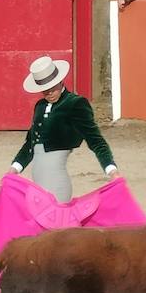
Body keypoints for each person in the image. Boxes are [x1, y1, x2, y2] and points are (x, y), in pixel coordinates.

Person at [8, 55, 116, 203]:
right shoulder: (40, 106)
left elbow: (95, 140)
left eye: (51, 87)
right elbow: (30, 144)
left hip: (57, 184)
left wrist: (111, 170)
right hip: (37, 185)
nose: (49, 93)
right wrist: (14, 170)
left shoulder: (76, 104)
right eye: (44, 90)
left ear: (60, 80)